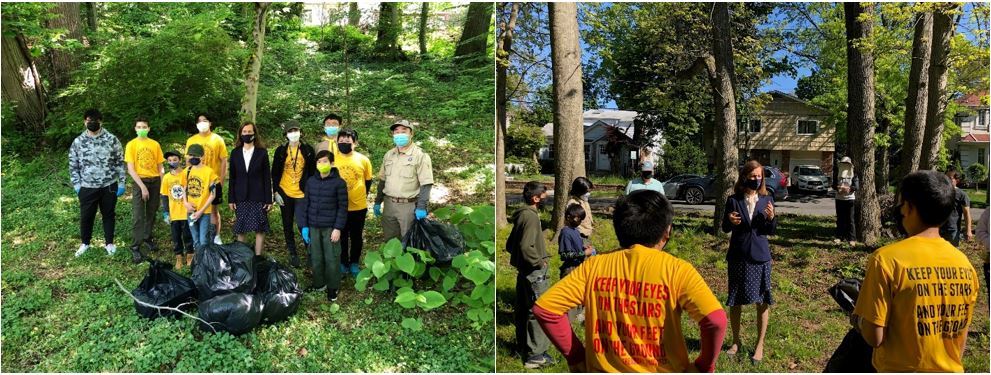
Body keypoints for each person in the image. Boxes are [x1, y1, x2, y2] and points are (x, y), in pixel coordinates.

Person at [534, 189, 728, 372]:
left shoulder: (594, 266)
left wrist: (576, 356)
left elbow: (546, 310)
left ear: (619, 229)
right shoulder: (677, 270)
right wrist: (703, 366)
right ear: (667, 231)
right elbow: (715, 321)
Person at [851, 170, 979, 372]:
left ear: (909, 207)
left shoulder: (886, 259)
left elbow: (874, 337)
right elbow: (960, 338)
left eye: (901, 204)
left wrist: (858, 319)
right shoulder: (965, 265)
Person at [721, 160, 776, 365]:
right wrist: (730, 221)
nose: (756, 179)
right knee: (735, 300)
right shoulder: (733, 200)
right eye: (752, 176)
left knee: (762, 301)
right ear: (744, 176)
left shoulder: (767, 199)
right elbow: (725, 227)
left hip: (761, 256)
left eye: (759, 175)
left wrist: (771, 219)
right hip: (738, 256)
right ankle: (735, 341)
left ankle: (759, 344)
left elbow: (770, 231)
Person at [506, 181, 552, 369]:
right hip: (534, 273)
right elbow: (525, 246)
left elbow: (510, 244)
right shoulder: (531, 217)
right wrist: (538, 261)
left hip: (524, 271)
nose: (546, 195)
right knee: (538, 311)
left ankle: (523, 347)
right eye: (544, 193)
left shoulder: (522, 215)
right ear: (535, 198)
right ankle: (535, 356)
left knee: (523, 311)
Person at [69, 109, 126, 257]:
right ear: (84, 122)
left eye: (95, 120)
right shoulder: (78, 142)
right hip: (87, 187)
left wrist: (121, 183)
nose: (92, 123)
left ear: (101, 122)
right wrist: (77, 185)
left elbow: (120, 162)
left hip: (109, 185)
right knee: (86, 216)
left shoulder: (112, 139)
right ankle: (85, 243)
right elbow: (73, 165)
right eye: (88, 120)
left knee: (108, 215)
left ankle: (109, 243)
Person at [297, 150, 349, 302]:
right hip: (313, 226)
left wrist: (338, 228)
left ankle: (333, 287)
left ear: (332, 163)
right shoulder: (311, 182)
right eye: (319, 162)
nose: (322, 164)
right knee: (316, 257)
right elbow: (306, 204)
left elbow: (342, 207)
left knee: (332, 257)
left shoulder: (339, 183)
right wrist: (304, 225)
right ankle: (319, 283)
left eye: (325, 161)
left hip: (330, 228)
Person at [374, 119, 434, 242]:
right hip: (389, 204)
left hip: (408, 206)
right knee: (391, 240)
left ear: (411, 134)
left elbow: (426, 183)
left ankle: (410, 261)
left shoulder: (420, 155)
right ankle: (392, 261)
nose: (400, 134)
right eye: (396, 131)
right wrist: (378, 201)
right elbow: (383, 180)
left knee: (409, 241)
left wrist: (421, 207)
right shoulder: (389, 155)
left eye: (404, 131)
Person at [271, 120, 315, 268]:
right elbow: (275, 173)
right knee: (287, 223)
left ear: (301, 132)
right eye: (290, 131)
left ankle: (309, 250)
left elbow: (313, 171)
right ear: (286, 134)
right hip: (285, 191)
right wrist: (275, 191)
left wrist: (311, 191)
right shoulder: (281, 151)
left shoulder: (308, 150)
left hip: (302, 193)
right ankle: (292, 253)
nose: (293, 133)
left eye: (296, 130)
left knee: (304, 224)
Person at [124, 117, 165, 263]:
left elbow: (160, 166)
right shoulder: (131, 145)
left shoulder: (155, 144)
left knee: (152, 212)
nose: (142, 129)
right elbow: (130, 169)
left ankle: (147, 238)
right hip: (140, 182)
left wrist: (162, 182)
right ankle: (135, 246)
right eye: (139, 127)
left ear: (149, 128)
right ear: (135, 129)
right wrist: (142, 187)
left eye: (144, 127)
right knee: (138, 216)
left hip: (155, 181)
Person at [228, 122, 273, 256]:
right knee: (241, 229)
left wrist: (268, 200)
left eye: (250, 132)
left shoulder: (262, 152)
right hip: (240, 196)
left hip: (258, 196)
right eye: (245, 132)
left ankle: (258, 256)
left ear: (255, 133)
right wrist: (231, 199)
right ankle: (242, 258)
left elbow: (266, 177)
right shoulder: (235, 153)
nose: (247, 134)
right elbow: (232, 177)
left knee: (260, 228)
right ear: (240, 134)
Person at [334, 128, 374, 276]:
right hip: (339, 207)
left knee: (356, 236)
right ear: (337, 142)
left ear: (355, 142)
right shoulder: (333, 159)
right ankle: (343, 262)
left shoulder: (363, 160)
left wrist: (360, 195)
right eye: (341, 140)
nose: (344, 143)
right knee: (341, 236)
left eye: (347, 140)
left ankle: (354, 263)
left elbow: (368, 181)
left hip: (358, 206)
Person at [186, 116, 228, 245]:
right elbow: (188, 161)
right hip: (196, 181)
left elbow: (224, 161)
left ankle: (216, 236)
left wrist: (221, 179)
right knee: (196, 208)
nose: (202, 123)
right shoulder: (192, 140)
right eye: (199, 121)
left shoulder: (217, 139)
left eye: (205, 120)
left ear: (210, 123)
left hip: (212, 180)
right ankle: (199, 238)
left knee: (214, 210)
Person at [556, 203, 593, 323]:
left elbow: (575, 248)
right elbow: (564, 255)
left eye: (581, 219)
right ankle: (567, 322)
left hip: (579, 267)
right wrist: (583, 254)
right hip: (570, 269)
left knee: (579, 294)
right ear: (568, 217)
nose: (579, 221)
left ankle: (577, 317)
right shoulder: (566, 233)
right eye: (578, 218)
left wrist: (583, 248)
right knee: (569, 296)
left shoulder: (575, 231)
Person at [160, 151, 195, 269]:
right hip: (174, 213)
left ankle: (190, 255)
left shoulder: (186, 174)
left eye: (175, 159)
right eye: (169, 160)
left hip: (186, 212)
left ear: (180, 160)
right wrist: (166, 212)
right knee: (176, 237)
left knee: (187, 235)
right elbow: (164, 196)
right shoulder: (166, 178)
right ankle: (179, 257)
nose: (172, 162)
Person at [182, 144, 219, 253]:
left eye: (196, 155)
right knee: (195, 238)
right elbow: (183, 189)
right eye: (191, 155)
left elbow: (213, 194)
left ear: (202, 157)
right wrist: (185, 203)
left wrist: (201, 211)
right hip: (190, 211)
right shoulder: (186, 171)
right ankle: (198, 261)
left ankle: (205, 260)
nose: (193, 158)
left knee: (203, 240)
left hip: (204, 212)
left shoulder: (209, 172)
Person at [939, 169, 972, 246]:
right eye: (945, 177)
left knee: (951, 254)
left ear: (957, 180)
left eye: (949, 178)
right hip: (937, 229)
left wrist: (968, 230)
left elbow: (967, 214)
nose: (946, 180)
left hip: (952, 230)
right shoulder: (939, 193)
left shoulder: (961, 195)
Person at [833, 156, 858, 245]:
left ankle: (852, 239)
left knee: (850, 219)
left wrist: (849, 189)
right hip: (839, 198)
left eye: (847, 164)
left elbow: (856, 186)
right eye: (843, 163)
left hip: (850, 199)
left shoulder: (854, 174)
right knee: (840, 219)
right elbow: (833, 185)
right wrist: (838, 188)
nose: (845, 165)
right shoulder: (837, 173)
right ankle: (839, 237)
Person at [566, 176, 595, 242]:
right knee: (582, 252)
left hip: (586, 233)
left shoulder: (584, 201)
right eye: (587, 192)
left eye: (589, 191)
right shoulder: (573, 204)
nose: (589, 194)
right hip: (579, 235)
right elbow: (572, 222)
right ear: (579, 191)